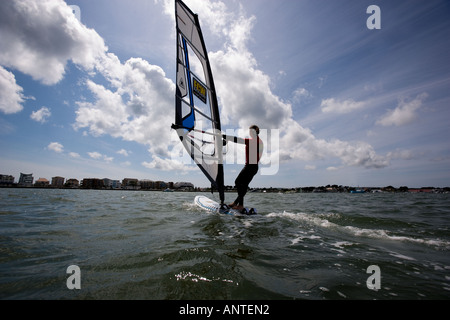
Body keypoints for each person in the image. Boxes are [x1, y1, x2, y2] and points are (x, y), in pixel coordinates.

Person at [228, 125, 263, 211]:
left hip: (249, 167)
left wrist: (226, 137)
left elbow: (238, 140)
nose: (250, 133)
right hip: (254, 167)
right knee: (244, 185)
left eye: (251, 132)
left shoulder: (253, 141)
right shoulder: (260, 141)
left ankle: (240, 205)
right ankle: (236, 203)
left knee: (238, 182)